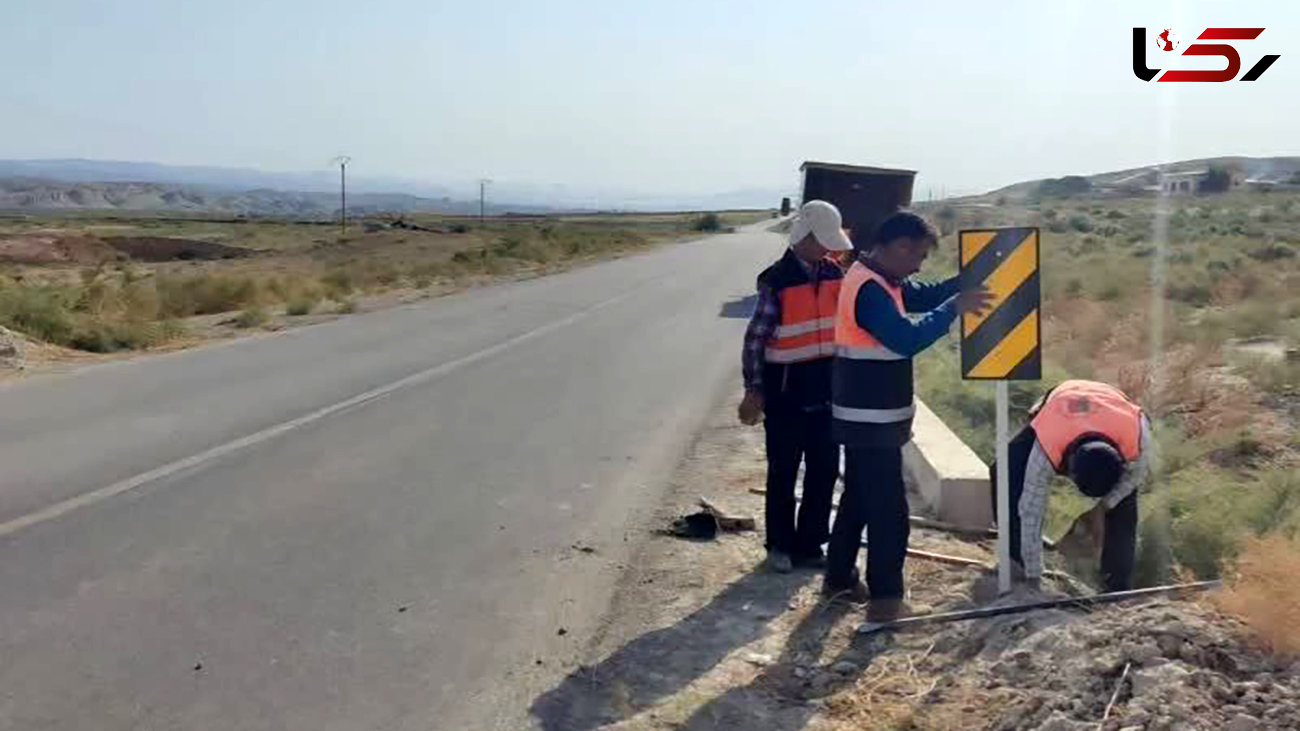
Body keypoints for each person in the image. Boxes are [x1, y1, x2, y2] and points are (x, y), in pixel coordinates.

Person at [825, 211, 993, 620]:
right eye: (916, 254)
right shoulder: (868, 289)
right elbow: (905, 340)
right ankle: (886, 600)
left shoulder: (881, 278)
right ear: (897, 246)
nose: (919, 264)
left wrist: (964, 282)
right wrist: (955, 307)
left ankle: (839, 579)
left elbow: (920, 296)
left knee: (859, 499)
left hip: (868, 414)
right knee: (889, 511)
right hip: (870, 417)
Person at [739, 200, 852, 573]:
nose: (827, 248)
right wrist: (754, 389)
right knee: (783, 472)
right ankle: (780, 545)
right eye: (822, 240)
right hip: (785, 394)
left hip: (827, 391)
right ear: (803, 236)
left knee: (824, 471)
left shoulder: (835, 273)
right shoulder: (776, 280)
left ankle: (810, 545)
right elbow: (756, 339)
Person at [992, 379, 1152, 592]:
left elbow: (1133, 478)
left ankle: (1115, 588)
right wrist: (1034, 579)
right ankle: (1017, 561)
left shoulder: (1137, 436)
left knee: (1124, 505)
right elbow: (1030, 509)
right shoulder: (1047, 444)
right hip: (1061, 403)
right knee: (1005, 473)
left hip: (1112, 403)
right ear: (1069, 470)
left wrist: (1102, 508)